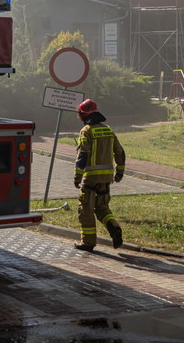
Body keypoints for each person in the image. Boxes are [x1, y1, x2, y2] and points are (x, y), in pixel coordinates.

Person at [73, 99, 126, 252]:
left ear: (84, 115)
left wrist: (77, 177)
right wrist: (120, 172)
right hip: (106, 178)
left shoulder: (86, 131)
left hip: (90, 178)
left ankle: (88, 242)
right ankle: (114, 227)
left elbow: (83, 156)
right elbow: (120, 152)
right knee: (102, 207)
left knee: (86, 209)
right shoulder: (108, 130)